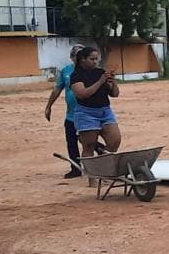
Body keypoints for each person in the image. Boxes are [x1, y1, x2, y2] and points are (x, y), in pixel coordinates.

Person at [70, 46, 121, 159]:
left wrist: (113, 82)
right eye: (92, 59)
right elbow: (82, 94)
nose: (95, 62)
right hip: (86, 113)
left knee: (115, 141)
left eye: (96, 59)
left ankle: (103, 164)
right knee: (89, 146)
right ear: (83, 59)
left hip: (105, 111)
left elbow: (115, 94)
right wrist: (100, 81)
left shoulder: (100, 72)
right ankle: (92, 175)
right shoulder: (76, 75)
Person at [45, 44, 84, 178]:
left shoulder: (90, 70)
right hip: (71, 114)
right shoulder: (66, 71)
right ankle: (76, 168)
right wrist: (48, 106)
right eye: (76, 56)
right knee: (71, 141)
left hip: (87, 113)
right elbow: (57, 89)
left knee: (88, 140)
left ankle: (98, 161)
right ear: (72, 57)